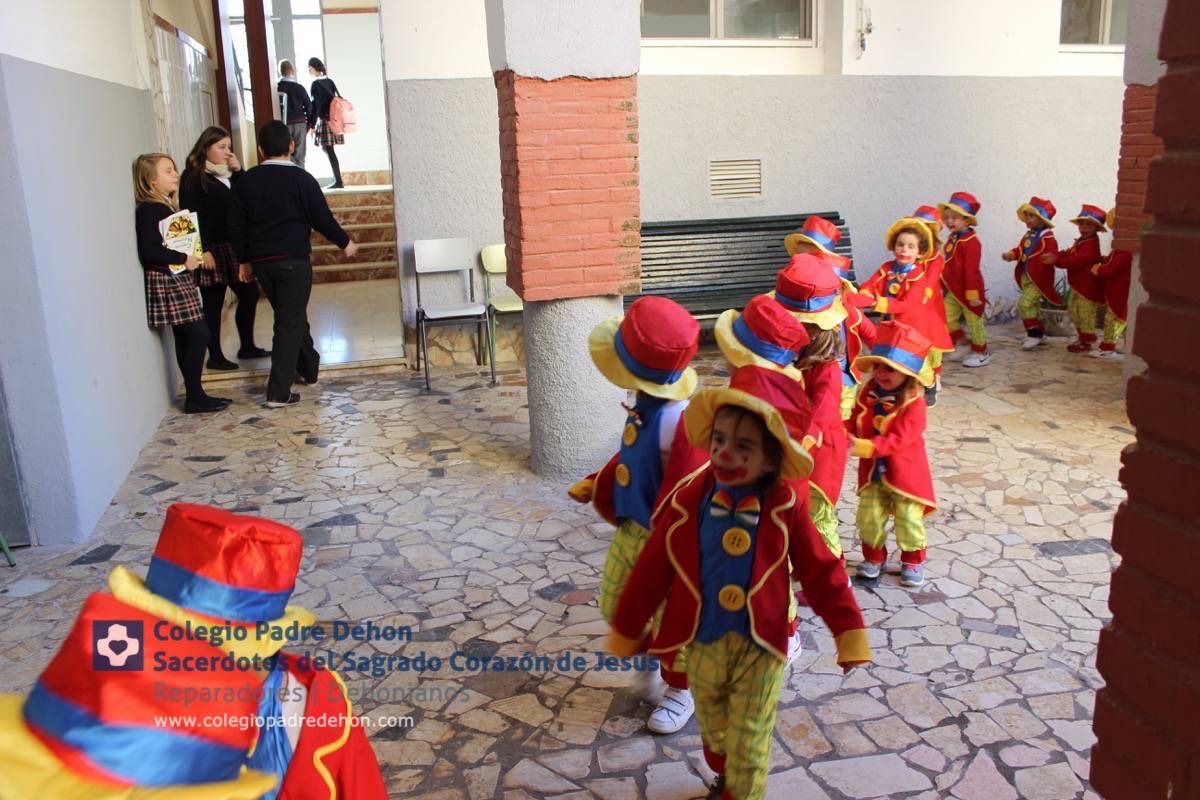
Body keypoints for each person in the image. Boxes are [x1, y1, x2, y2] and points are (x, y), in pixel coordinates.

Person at [607, 365, 871, 800]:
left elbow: (822, 571)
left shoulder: (787, 506)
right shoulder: (688, 500)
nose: (724, 453)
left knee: (749, 738)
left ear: (772, 458)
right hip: (702, 642)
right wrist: (628, 626)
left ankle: (741, 789)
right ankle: (725, 776)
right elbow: (653, 567)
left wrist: (848, 630)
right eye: (719, 439)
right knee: (715, 730)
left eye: (743, 446)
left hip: (761, 645)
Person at [568, 296, 707, 734]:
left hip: (669, 545)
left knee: (673, 619)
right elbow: (633, 453)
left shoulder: (683, 422)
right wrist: (599, 479)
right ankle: (651, 656)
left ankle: (681, 688)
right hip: (633, 528)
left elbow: (693, 485)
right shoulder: (645, 406)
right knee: (616, 604)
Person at [229, 121, 358, 407]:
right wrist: (345, 242)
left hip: (262, 263)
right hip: (293, 261)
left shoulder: (247, 181)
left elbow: (237, 225)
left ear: (260, 150)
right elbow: (321, 218)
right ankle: (278, 392)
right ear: (291, 145)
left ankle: (309, 367)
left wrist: (244, 260)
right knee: (288, 321)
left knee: (292, 315)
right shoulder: (302, 179)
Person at [133, 153, 230, 413]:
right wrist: (183, 258)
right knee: (199, 334)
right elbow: (151, 249)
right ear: (151, 180)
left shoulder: (164, 207)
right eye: (168, 171)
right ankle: (195, 395)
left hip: (176, 276)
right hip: (169, 278)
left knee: (187, 336)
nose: (175, 174)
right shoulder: (151, 209)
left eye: (174, 169)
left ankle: (195, 395)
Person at [769, 256, 850, 560]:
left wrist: (803, 439)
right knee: (789, 507)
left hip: (819, 449)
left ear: (818, 330)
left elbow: (824, 408)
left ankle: (832, 573)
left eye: (799, 324)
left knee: (818, 514)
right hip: (790, 444)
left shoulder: (826, 369)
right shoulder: (789, 354)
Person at [848, 321, 937, 588]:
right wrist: (839, 432)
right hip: (873, 473)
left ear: (907, 373)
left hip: (905, 473)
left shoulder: (915, 404)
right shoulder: (868, 393)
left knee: (908, 517)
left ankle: (913, 559)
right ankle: (874, 557)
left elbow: (900, 439)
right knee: (869, 515)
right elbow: (853, 420)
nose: (881, 373)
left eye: (890, 368)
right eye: (877, 366)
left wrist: (864, 447)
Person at [180, 126, 270, 369]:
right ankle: (216, 356)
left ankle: (247, 346)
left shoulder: (229, 173)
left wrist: (239, 170)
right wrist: (203, 249)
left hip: (233, 245)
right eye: (221, 147)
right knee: (213, 301)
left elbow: (248, 196)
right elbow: (190, 216)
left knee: (249, 293)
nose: (226, 152)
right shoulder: (194, 176)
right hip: (212, 247)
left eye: (228, 147)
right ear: (206, 148)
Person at [854, 217, 950, 406]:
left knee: (915, 361)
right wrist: (865, 292)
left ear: (920, 252)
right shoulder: (886, 268)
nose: (904, 250)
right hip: (890, 324)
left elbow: (907, 305)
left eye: (910, 247)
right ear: (893, 246)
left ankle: (930, 385)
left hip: (912, 327)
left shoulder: (918, 275)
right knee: (886, 358)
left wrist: (878, 303)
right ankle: (889, 388)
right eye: (900, 245)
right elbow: (872, 283)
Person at [938, 192, 990, 367]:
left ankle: (981, 352)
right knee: (946, 316)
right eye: (947, 218)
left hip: (969, 290)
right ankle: (963, 342)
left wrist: (973, 294)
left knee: (974, 321)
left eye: (954, 218)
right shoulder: (953, 237)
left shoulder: (971, 242)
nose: (949, 222)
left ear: (967, 220)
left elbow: (971, 269)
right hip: (954, 289)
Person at [1002, 196, 1061, 350]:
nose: (1027, 219)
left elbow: (1054, 252)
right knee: (1033, 307)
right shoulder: (1029, 235)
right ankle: (1039, 332)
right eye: (1026, 215)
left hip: (1039, 279)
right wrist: (1012, 255)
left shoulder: (1048, 237)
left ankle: (1034, 334)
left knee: (1024, 304)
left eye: (1031, 216)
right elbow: (1020, 249)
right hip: (1026, 277)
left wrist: (1051, 257)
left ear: (1042, 219)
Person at [1048, 204, 1107, 353]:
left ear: (1097, 228)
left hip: (1088, 287)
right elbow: (1069, 253)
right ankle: (1082, 337)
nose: (1084, 228)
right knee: (1074, 311)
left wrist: (1055, 260)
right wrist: (1055, 255)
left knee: (1085, 313)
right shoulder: (1082, 241)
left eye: (1089, 226)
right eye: (1082, 225)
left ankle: (1086, 341)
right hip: (1078, 285)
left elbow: (1075, 261)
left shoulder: (1091, 244)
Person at [1091, 208, 1132, 360]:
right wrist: (1106, 260)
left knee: (1114, 318)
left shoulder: (1124, 248)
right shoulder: (1121, 247)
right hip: (1117, 289)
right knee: (1119, 318)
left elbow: (1113, 268)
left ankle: (1108, 348)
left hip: (1119, 290)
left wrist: (1098, 269)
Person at [307, 57, 344, 188]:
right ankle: (338, 180)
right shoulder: (329, 81)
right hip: (333, 119)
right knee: (329, 149)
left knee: (329, 150)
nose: (308, 70)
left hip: (324, 120)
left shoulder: (316, 84)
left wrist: (311, 125)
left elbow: (316, 106)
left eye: (309, 68)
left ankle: (338, 181)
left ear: (313, 68)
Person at [277, 60, 312, 168]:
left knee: (284, 154)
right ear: (292, 71)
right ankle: (300, 175)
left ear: (280, 71)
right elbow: (309, 107)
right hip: (300, 124)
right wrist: (309, 124)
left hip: (284, 124)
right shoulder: (299, 88)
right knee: (300, 155)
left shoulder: (277, 87)